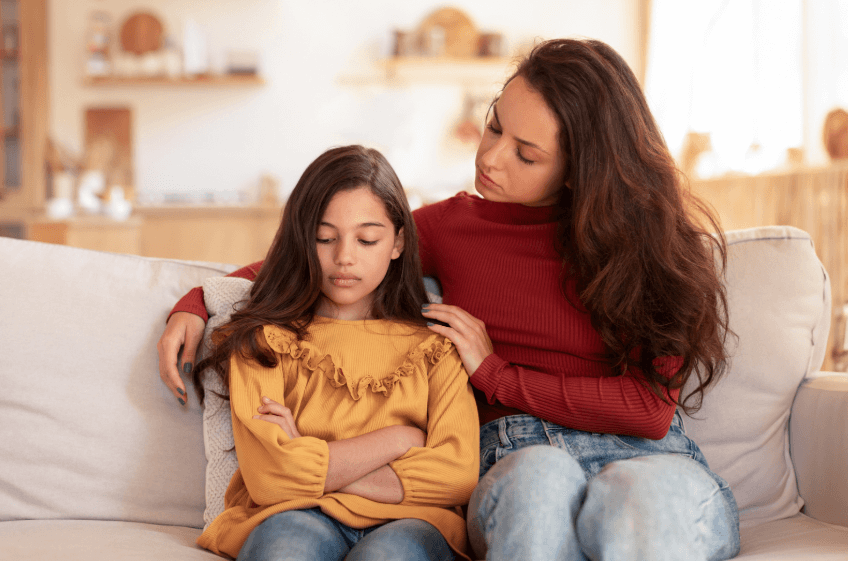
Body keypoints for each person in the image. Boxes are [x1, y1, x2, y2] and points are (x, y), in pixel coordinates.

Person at [160, 39, 740, 561]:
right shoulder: (454, 227)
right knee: (538, 484)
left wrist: (496, 374)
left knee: (638, 503)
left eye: (526, 154)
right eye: (495, 128)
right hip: (517, 455)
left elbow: (648, 410)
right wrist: (198, 301)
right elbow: (335, 251)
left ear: (579, 169)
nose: (490, 158)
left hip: (645, 457)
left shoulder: (654, 248)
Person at [191, 145, 479, 561]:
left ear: (397, 241)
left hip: (412, 522)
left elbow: (456, 475)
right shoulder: (264, 343)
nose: (344, 257)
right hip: (292, 514)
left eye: (367, 239)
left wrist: (310, 459)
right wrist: (399, 440)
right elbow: (272, 480)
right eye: (325, 238)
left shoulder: (437, 348)